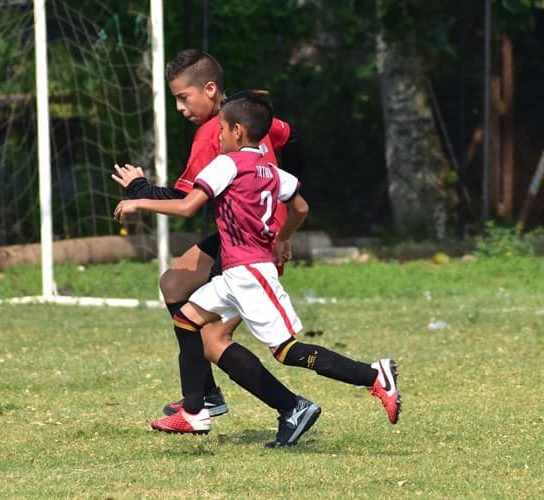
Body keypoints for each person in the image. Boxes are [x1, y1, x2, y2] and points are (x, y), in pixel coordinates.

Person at [114, 91, 401, 446]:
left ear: (237, 131)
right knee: (186, 319)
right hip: (236, 274)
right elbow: (300, 208)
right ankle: (194, 411)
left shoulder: (227, 164)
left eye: (220, 129)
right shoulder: (273, 171)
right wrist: (283, 237)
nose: (216, 136)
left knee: (287, 351)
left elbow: (189, 207)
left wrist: (137, 201)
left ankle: (373, 375)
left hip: (250, 275)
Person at [111, 49, 307, 424]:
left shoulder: (210, 135)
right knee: (173, 284)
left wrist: (138, 188)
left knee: (212, 340)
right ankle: (207, 394)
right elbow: (292, 139)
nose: (180, 107)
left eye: (184, 97)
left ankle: (290, 407)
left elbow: (186, 201)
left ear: (211, 89)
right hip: (249, 234)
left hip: (248, 247)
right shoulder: (256, 117)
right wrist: (284, 204)